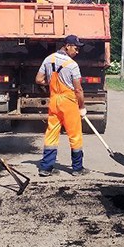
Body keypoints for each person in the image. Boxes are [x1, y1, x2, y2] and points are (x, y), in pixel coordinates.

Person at [36, 35, 88, 177]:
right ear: (67, 46)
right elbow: (78, 90)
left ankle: (45, 168)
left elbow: (39, 79)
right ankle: (77, 168)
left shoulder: (48, 59)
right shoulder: (72, 65)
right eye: (76, 48)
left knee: (51, 133)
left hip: (54, 101)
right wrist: (82, 107)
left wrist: (51, 82)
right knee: (75, 135)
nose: (77, 52)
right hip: (69, 102)